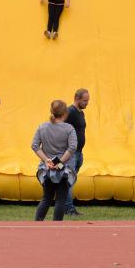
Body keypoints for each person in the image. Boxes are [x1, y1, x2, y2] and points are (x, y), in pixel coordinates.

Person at [32, 100, 78, 221]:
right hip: (63, 168)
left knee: (46, 198)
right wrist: (60, 162)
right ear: (65, 113)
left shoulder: (42, 127)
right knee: (61, 199)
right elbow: (72, 147)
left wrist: (46, 160)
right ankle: (57, 226)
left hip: (47, 168)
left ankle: (37, 223)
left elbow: (35, 146)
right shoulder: (69, 128)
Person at [63, 88, 89, 216]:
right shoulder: (70, 112)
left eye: (88, 100)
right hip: (71, 153)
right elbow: (60, 128)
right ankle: (69, 208)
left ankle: (65, 206)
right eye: (85, 101)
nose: (87, 103)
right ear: (77, 99)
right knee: (68, 180)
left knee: (70, 180)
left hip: (78, 153)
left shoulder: (81, 113)